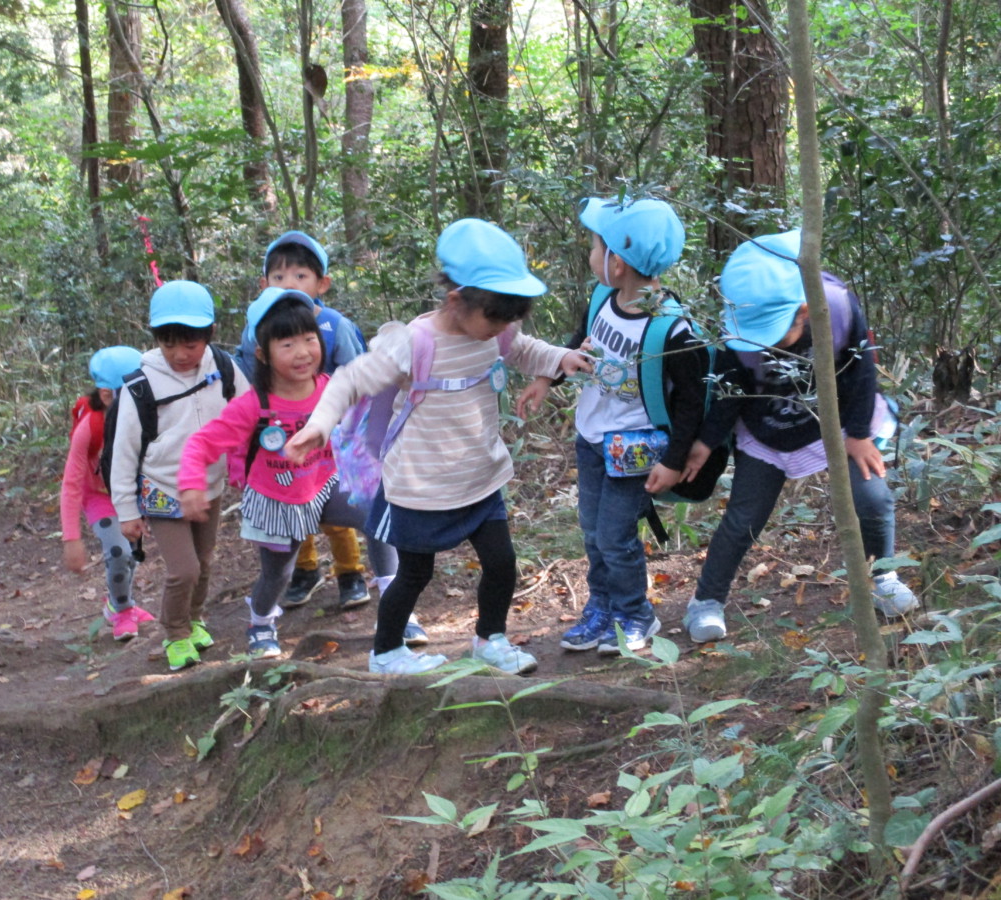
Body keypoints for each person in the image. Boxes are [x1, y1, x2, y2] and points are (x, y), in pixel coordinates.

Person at [285, 219, 594, 675]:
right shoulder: (414, 342)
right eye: (496, 317)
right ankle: (387, 651)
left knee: (502, 562)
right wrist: (319, 424)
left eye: (510, 319)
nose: (502, 329)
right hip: (420, 485)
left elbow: (525, 349)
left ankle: (490, 639)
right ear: (456, 300)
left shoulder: (498, 331)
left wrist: (559, 359)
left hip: (480, 476)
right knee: (414, 574)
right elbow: (352, 380)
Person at [681, 229, 918, 644]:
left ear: (804, 311)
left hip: (839, 419)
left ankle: (884, 576)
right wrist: (705, 440)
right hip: (768, 426)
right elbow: (730, 388)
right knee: (743, 519)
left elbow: (862, 371)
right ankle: (706, 601)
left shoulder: (838, 308)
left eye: (771, 333)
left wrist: (860, 434)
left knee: (873, 498)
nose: (759, 343)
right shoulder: (737, 333)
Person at [178, 287, 399, 659]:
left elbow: (369, 416)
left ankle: (397, 610)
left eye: (309, 339)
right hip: (277, 499)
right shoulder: (253, 406)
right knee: (278, 573)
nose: (302, 352)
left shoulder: (331, 387)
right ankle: (261, 623)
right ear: (262, 354)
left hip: (324, 485)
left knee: (378, 516)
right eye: (287, 344)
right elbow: (201, 444)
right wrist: (190, 485)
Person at [547, 197, 707, 655]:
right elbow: (580, 345)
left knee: (616, 536)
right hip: (591, 438)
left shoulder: (673, 330)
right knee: (593, 532)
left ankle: (636, 612)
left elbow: (693, 403)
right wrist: (548, 375)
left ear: (616, 263)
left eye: (596, 247)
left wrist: (674, 462)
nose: (591, 256)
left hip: (633, 449)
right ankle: (601, 607)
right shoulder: (603, 297)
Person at [109, 281, 251, 671]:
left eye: (190, 344)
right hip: (161, 488)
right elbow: (123, 451)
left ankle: (195, 619)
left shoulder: (223, 367)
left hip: (209, 484)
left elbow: (248, 412)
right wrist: (125, 510)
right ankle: (175, 633)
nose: (180, 354)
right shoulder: (142, 383)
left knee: (204, 560)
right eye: (169, 344)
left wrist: (248, 460)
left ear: (208, 335)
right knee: (184, 568)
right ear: (156, 339)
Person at [234, 231, 376, 614]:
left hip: (333, 435)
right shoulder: (257, 328)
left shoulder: (333, 325)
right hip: (279, 434)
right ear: (263, 284)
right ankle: (305, 570)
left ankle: (350, 572)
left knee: (335, 505)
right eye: (278, 278)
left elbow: (355, 374)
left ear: (322, 283)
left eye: (300, 276)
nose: (288, 285)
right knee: (292, 501)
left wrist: (356, 428)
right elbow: (249, 373)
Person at [60, 345, 155, 641]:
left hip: (133, 493)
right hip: (99, 495)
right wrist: (71, 538)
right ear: (106, 395)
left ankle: (122, 602)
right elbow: (71, 483)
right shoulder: (90, 426)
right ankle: (122, 609)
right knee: (118, 552)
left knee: (133, 555)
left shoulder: (145, 412)